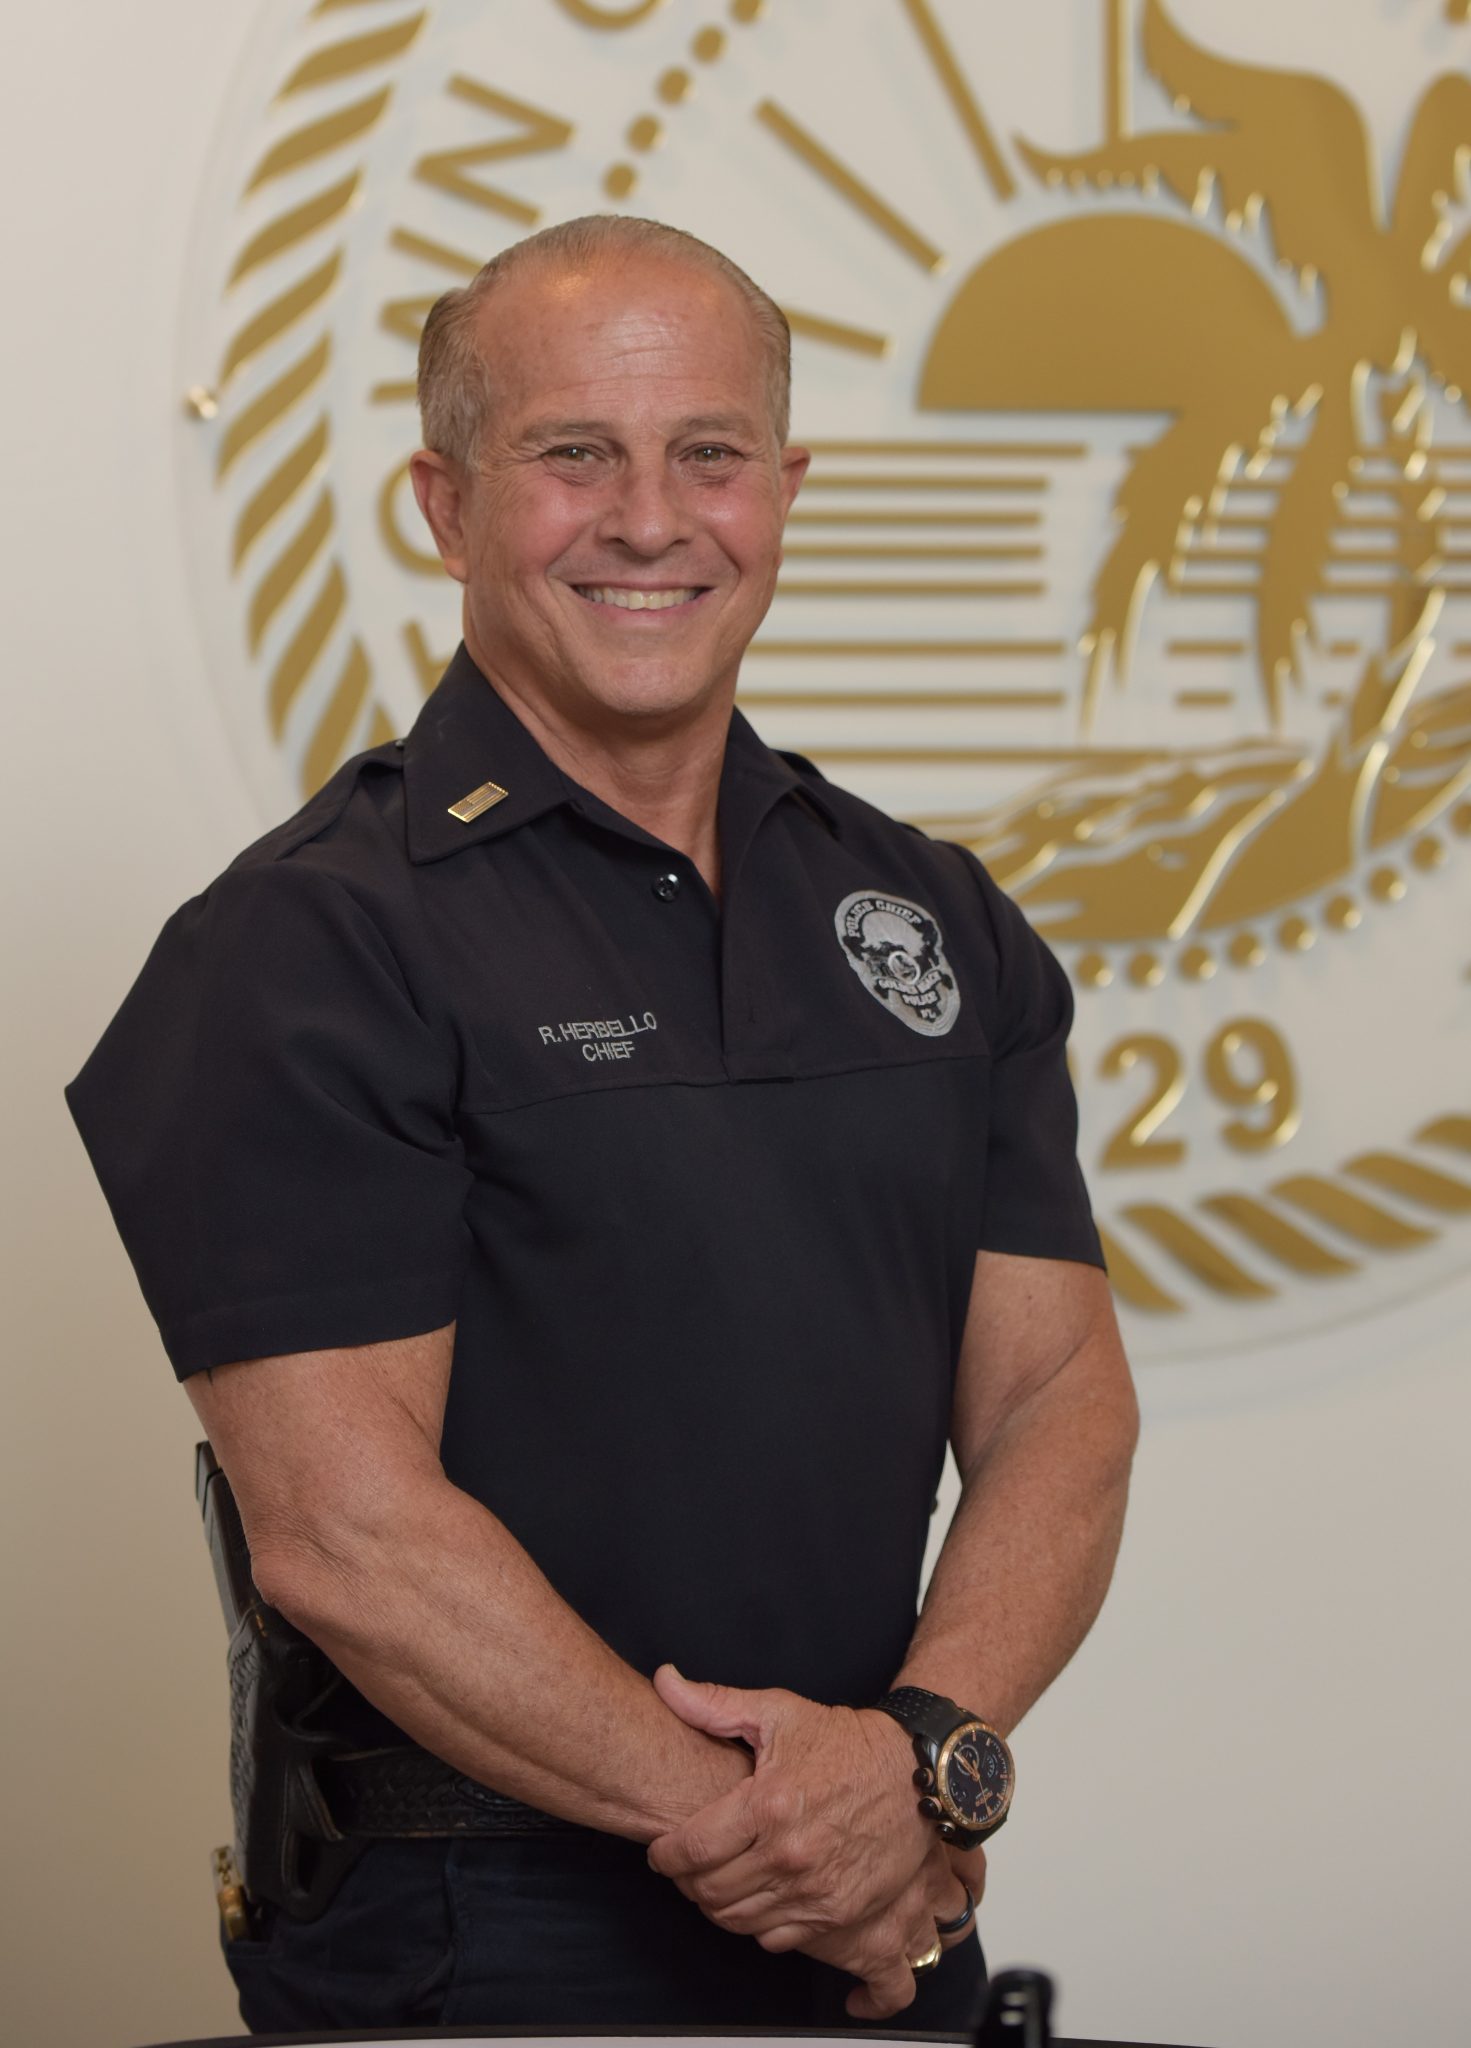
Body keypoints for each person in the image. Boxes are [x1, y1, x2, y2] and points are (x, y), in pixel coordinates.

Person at [67, 215, 1139, 2034]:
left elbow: (1056, 1399)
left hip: (881, 1910)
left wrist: (919, 1758)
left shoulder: (936, 921)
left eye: (710, 453)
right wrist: (791, 1839)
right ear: (445, 504)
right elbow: (347, 1537)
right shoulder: (308, 945)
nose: (652, 520)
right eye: (576, 454)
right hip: (482, 1944)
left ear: (783, 493)